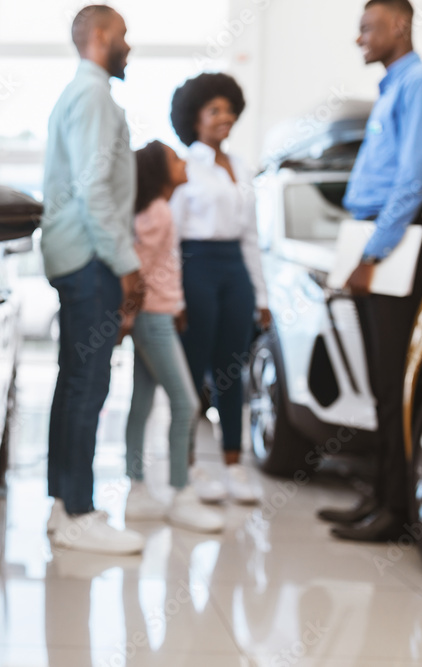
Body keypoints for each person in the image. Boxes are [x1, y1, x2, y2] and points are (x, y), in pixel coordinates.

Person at [319, 0, 422, 542]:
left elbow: (416, 176)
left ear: (400, 25)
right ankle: (379, 495)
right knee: (378, 383)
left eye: (367, 28)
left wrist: (373, 253)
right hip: (378, 235)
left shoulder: (420, 83)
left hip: (393, 240)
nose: (360, 40)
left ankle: (396, 512)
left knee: (391, 382)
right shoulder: (393, 88)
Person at [41, 5, 146, 555]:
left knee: (74, 383)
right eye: (124, 36)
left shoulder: (77, 95)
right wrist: (126, 263)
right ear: (101, 37)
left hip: (75, 257)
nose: (129, 46)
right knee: (88, 386)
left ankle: (65, 507)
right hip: (90, 261)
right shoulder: (95, 96)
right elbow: (95, 190)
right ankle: (78, 511)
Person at [168, 72, 269, 505]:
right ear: (195, 119)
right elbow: (169, 237)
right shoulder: (185, 166)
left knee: (233, 370)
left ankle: (233, 464)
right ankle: (187, 466)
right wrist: (173, 296)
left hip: (235, 271)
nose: (224, 117)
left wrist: (261, 296)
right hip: (196, 267)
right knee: (192, 372)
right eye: (215, 110)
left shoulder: (241, 167)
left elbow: (251, 236)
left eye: (229, 109)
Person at [123, 141, 224, 534]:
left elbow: (159, 269)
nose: (184, 163)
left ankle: (136, 490)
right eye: (176, 159)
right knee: (185, 403)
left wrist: (176, 305)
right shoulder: (159, 212)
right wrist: (132, 318)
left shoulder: (153, 210)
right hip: (153, 318)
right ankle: (181, 493)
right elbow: (140, 272)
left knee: (142, 401)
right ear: (159, 172)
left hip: (157, 314)